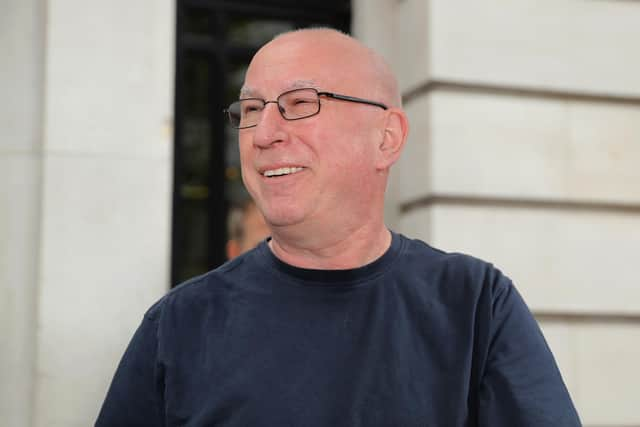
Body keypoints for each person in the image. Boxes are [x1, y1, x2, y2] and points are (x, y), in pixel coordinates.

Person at [96, 28, 581, 426]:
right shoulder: (179, 325)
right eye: (250, 110)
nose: (264, 133)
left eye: (300, 102)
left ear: (386, 138)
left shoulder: (475, 306)